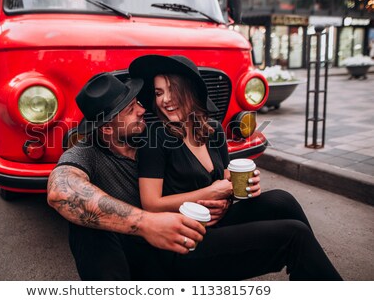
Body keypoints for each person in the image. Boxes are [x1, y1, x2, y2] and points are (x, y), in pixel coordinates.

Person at [128, 54, 343, 280]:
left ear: (190, 91)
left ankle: (311, 272)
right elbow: (151, 205)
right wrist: (210, 193)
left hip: (219, 223)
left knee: (283, 200)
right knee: (294, 236)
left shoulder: (212, 130)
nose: (166, 100)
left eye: (173, 90)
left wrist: (240, 190)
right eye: (159, 93)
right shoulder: (157, 137)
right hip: (185, 241)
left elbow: (227, 181)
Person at [47, 73, 205, 280]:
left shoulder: (156, 137)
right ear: (106, 128)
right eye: (131, 110)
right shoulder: (88, 152)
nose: (142, 110)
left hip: (179, 245)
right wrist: (146, 224)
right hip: (128, 254)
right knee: (85, 225)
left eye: (137, 103)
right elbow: (60, 190)